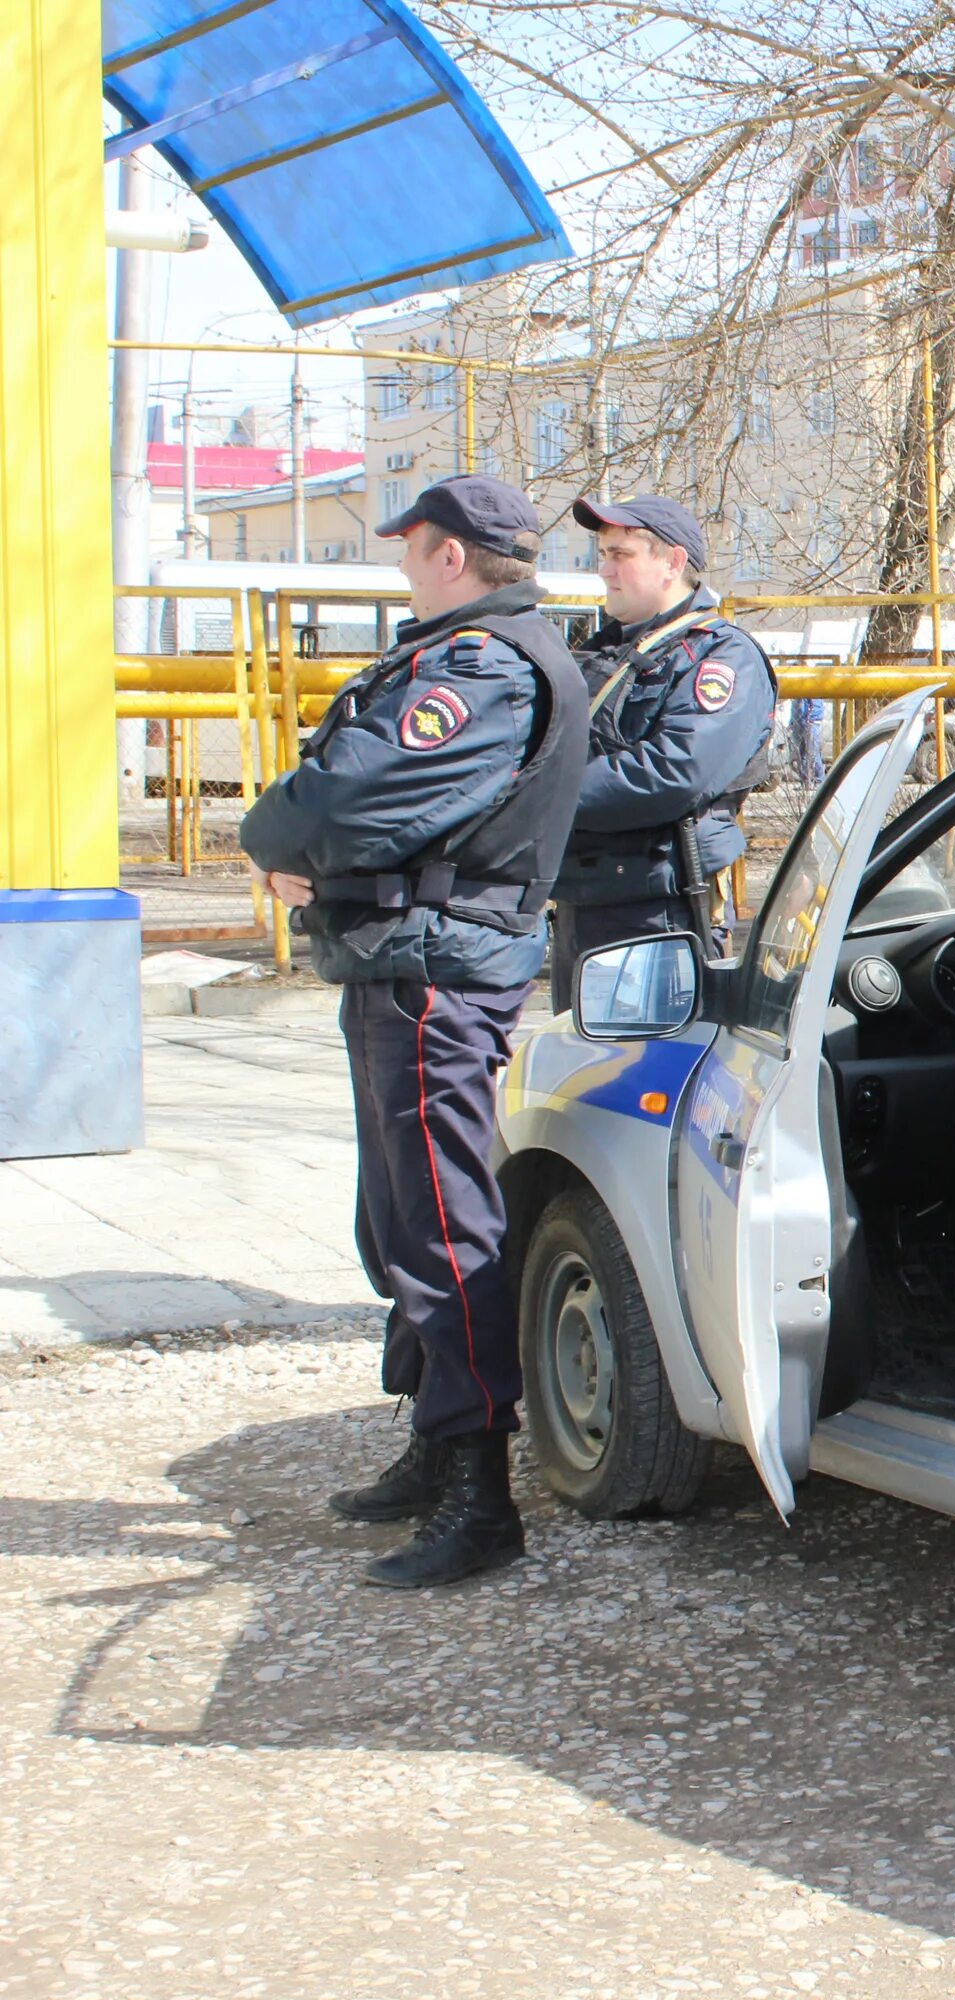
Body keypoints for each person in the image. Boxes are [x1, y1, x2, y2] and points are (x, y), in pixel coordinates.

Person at [237, 476, 587, 1588]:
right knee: (399, 1219)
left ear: (448, 554)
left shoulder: (482, 667)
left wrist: (283, 836)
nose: (399, 564)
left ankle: (484, 1496)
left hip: (436, 971)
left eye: (408, 548)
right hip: (403, 963)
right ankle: (438, 1447)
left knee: (444, 1229)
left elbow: (348, 797)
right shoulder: (473, 652)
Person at [546, 496, 779, 1012]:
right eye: (602, 554)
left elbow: (677, 772)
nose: (604, 569)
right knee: (583, 1081)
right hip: (584, 900)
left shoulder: (719, 654)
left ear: (673, 562)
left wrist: (542, 795)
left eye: (620, 554)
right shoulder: (601, 653)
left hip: (660, 910)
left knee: (644, 1080)